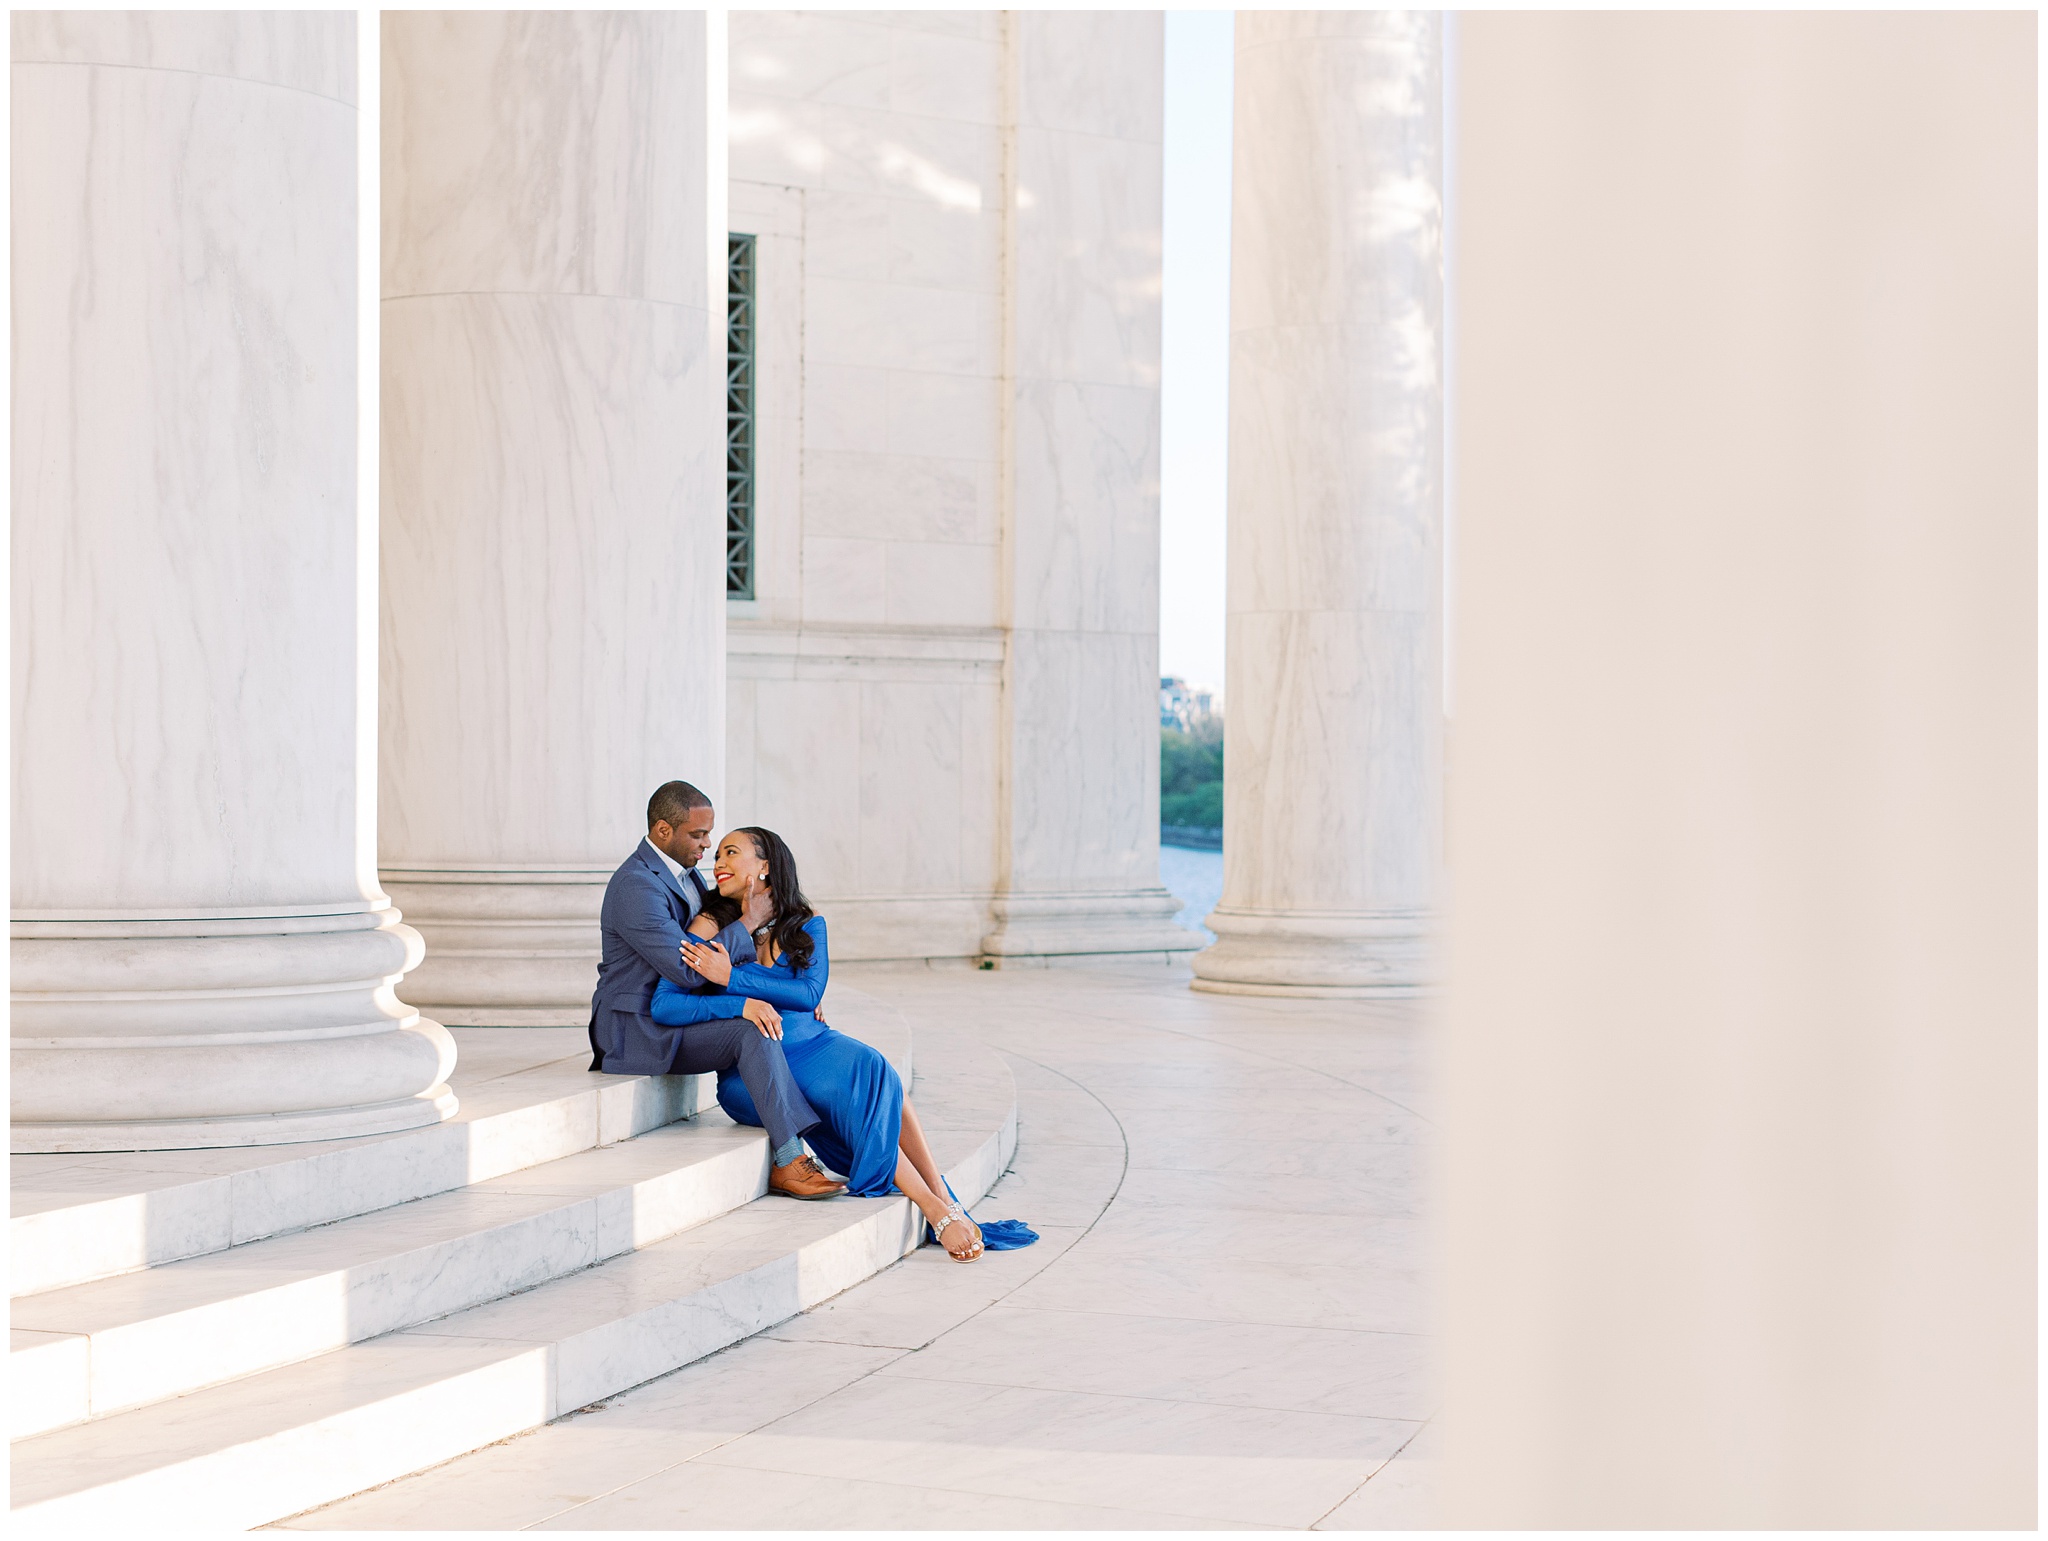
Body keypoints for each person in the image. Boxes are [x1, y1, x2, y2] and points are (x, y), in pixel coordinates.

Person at [651, 826, 988, 1262]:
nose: (718, 862)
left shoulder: (807, 925)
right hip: (758, 1064)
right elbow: (665, 1005)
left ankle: (944, 1197)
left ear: (765, 866)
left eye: (731, 852)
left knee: (875, 1069)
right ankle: (935, 1208)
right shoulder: (709, 928)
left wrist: (731, 978)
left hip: (814, 1043)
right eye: (716, 854)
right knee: (849, 1091)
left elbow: (809, 994)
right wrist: (737, 1005)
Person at [588, 781, 845, 1201]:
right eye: (698, 835)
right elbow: (687, 970)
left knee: (764, 1021)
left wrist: (788, 994)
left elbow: (729, 966)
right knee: (751, 1027)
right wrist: (746, 930)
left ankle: (805, 1151)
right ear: (662, 830)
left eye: (711, 835)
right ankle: (789, 1159)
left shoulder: (688, 878)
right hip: (639, 1027)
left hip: (677, 1009)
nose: (708, 845)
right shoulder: (636, 885)